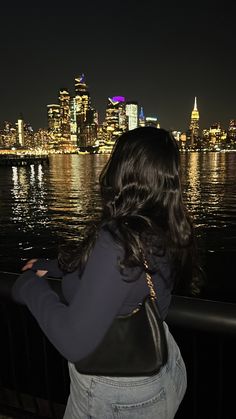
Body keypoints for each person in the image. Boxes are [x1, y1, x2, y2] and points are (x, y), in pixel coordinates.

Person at [12, 127, 200, 418]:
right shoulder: (168, 225)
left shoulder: (119, 241)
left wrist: (29, 287)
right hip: (163, 364)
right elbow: (124, 279)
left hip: (117, 392)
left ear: (123, 169)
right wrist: (55, 267)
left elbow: (73, 342)